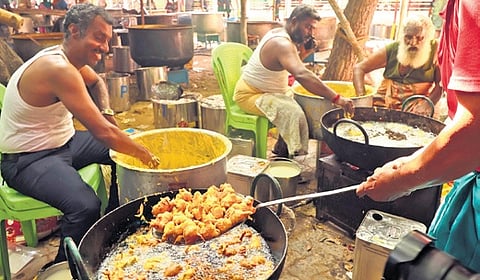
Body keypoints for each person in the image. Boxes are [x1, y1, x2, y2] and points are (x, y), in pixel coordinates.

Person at [0, 3, 159, 265]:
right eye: (99, 37)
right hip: (27, 160)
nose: (105, 47)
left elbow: (97, 82)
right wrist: (145, 154)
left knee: (119, 154)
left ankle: (115, 220)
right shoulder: (57, 68)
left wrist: (108, 111)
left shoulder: (67, 60)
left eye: (107, 40)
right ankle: (66, 266)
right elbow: (103, 132)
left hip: (64, 142)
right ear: (74, 31)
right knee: (85, 206)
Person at [356, 0, 480, 271]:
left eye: (419, 37)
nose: (413, 41)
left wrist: (402, 181)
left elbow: (476, 130)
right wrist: (411, 161)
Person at [233, 4, 354, 158]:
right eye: (307, 27)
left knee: (299, 100)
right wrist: (337, 98)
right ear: (294, 21)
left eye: (312, 29)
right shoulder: (281, 43)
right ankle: (295, 158)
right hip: (250, 95)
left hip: (269, 92)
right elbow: (302, 74)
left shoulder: (282, 34)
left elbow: (288, 67)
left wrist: (305, 52)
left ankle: (281, 150)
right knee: (294, 113)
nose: (310, 33)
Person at [353, 14, 443, 116]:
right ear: (402, 35)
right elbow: (359, 68)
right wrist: (362, 98)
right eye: (408, 37)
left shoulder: (436, 50)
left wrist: (427, 103)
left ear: (427, 38)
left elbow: (440, 86)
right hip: (384, 102)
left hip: (417, 104)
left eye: (419, 38)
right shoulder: (393, 49)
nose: (413, 43)